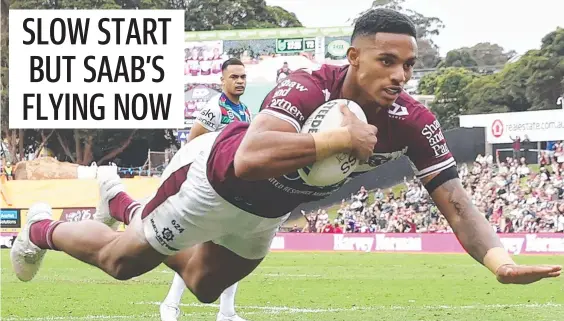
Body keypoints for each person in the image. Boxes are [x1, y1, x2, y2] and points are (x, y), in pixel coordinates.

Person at [11, 8, 561, 312]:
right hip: (211, 181)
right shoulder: (306, 84)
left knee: (204, 287)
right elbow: (251, 157)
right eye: (387, 61)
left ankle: (130, 209)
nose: (400, 75)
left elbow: (458, 202)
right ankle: (41, 228)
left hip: (265, 214)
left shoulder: (413, 120)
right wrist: (335, 141)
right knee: (122, 265)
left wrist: (499, 263)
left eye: (409, 66)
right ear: (353, 58)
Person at [159, 58, 252, 321]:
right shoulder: (215, 109)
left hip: (235, 189)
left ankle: (227, 312)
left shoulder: (245, 111)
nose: (240, 81)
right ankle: (170, 304)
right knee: (201, 246)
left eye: (243, 77)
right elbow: (192, 141)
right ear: (222, 80)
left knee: (235, 248)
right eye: (234, 77)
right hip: (212, 188)